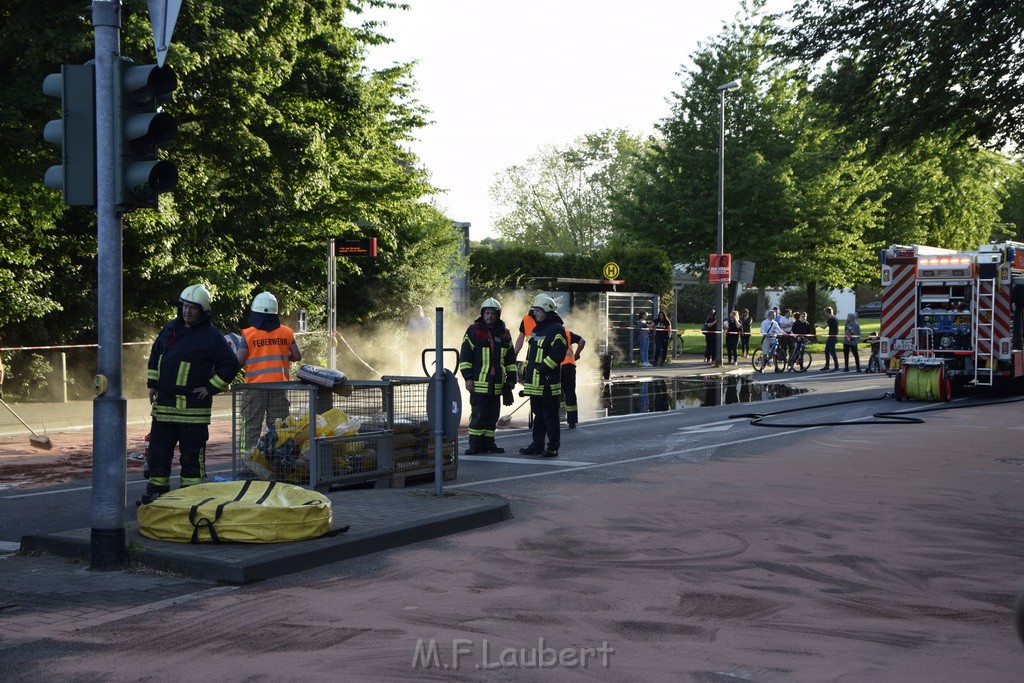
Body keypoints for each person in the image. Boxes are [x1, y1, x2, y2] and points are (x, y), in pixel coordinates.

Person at [140, 284, 240, 505]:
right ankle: (157, 491)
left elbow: (230, 364)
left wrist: (211, 387)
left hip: (193, 410)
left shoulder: (211, 336)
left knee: (191, 456)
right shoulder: (169, 329)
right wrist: (152, 384)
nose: (187, 311)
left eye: (192, 308)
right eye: (185, 306)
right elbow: (156, 355)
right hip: (164, 406)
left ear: (202, 311)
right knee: (158, 452)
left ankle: (191, 496)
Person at [237, 291, 303, 453]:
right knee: (279, 428)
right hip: (279, 388)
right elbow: (296, 355)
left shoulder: (248, 334)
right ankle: (278, 463)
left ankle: (247, 463)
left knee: (251, 427)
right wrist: (280, 354)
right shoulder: (286, 332)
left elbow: (238, 361)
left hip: (254, 388)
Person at [459, 297, 517, 455]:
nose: (490, 316)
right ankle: (475, 445)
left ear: (498, 315)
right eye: (487, 313)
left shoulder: (504, 334)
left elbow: (510, 359)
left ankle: (488, 443)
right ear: (482, 314)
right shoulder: (474, 331)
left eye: (493, 313)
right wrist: (468, 378)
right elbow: (465, 357)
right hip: (479, 383)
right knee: (478, 415)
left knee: (492, 416)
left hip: (497, 384)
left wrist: (511, 380)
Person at [519, 295, 567, 458]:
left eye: (538, 311)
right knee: (538, 415)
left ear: (547, 310)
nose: (535, 314)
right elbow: (531, 354)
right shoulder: (537, 329)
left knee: (550, 416)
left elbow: (557, 355)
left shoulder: (556, 330)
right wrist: (526, 373)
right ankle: (537, 444)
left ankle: (553, 446)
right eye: (535, 311)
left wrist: (541, 369)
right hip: (534, 383)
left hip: (547, 382)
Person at [561, 328, 586, 428]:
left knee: (555, 392)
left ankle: (558, 415)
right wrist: (576, 355)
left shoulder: (547, 331)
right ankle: (572, 421)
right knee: (570, 392)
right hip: (569, 365)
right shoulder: (567, 333)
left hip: (553, 366)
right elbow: (582, 342)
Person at [818, 306, 840, 371]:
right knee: (826, 351)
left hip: (832, 337)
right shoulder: (835, 318)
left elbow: (824, 327)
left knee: (832, 352)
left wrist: (818, 325)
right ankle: (827, 365)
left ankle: (836, 366)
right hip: (832, 336)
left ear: (827, 312)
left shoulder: (830, 319)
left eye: (825, 313)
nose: (825, 314)